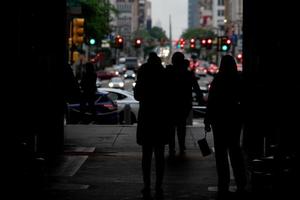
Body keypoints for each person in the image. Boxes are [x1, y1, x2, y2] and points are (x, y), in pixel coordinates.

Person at [204, 55, 247, 199]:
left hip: (219, 120)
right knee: (235, 151)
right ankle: (241, 182)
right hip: (234, 118)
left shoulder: (218, 80)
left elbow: (211, 101)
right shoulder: (238, 79)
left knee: (221, 154)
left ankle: (224, 183)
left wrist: (207, 120)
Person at [134, 52, 170, 200]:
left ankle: (147, 184)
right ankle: (159, 185)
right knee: (160, 155)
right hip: (160, 118)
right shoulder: (163, 74)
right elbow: (169, 95)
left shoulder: (143, 74)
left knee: (146, 155)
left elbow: (137, 96)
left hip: (146, 117)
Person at [166, 52, 204, 156]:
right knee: (181, 125)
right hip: (184, 104)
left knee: (171, 126)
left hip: (170, 104)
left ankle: (171, 147)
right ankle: (181, 145)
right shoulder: (188, 74)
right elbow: (196, 89)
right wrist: (201, 100)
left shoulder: (168, 72)